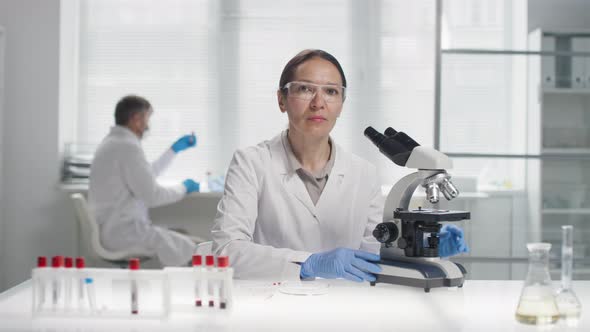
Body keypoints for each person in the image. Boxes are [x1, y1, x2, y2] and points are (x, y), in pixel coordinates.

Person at [211, 49, 468, 282]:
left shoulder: (363, 173)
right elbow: (226, 250)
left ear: (341, 104)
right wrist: (307, 264)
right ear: (281, 99)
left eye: (331, 91)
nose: (318, 102)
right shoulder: (251, 163)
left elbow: (376, 252)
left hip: (345, 308)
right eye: (305, 89)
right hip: (272, 304)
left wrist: (420, 250)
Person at [89, 95, 200, 266]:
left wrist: (173, 150)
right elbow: (152, 195)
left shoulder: (114, 143)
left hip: (116, 228)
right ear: (136, 119)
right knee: (197, 249)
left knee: (181, 238)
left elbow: (144, 175)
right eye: (147, 118)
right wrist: (184, 188)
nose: (148, 125)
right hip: (124, 233)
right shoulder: (127, 146)